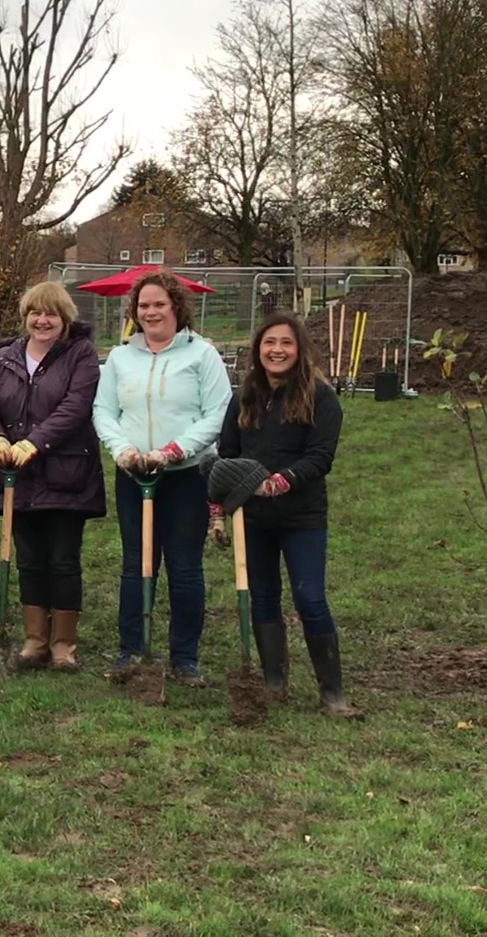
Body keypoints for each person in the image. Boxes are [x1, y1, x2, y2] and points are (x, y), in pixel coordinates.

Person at [93, 271, 231, 686]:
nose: (150, 312)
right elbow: (104, 411)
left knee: (185, 567)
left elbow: (218, 413)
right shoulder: (120, 358)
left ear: (176, 307)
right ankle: (131, 649)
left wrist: (173, 450)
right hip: (136, 474)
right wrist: (123, 451)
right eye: (143, 306)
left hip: (186, 475)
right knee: (137, 563)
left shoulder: (201, 354)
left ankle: (184, 658)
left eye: (159, 304)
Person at [218, 315, 358, 717]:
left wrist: (281, 482)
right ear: (258, 350)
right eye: (269, 343)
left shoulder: (320, 397)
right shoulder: (245, 395)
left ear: (300, 350)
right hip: (254, 517)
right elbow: (228, 452)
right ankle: (273, 683)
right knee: (262, 597)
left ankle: (332, 693)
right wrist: (221, 502)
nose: (276, 350)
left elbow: (320, 457)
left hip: (302, 516)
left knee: (309, 597)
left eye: (286, 343)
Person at [0, 281, 106, 672]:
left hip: (67, 474)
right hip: (18, 476)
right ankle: (35, 639)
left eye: (50, 314)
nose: (42, 321)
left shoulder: (80, 355)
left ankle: (63, 644)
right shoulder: (7, 356)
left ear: (64, 319)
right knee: (29, 560)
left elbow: (75, 407)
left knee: (63, 560)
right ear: (25, 317)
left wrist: (34, 442)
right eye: (35, 313)